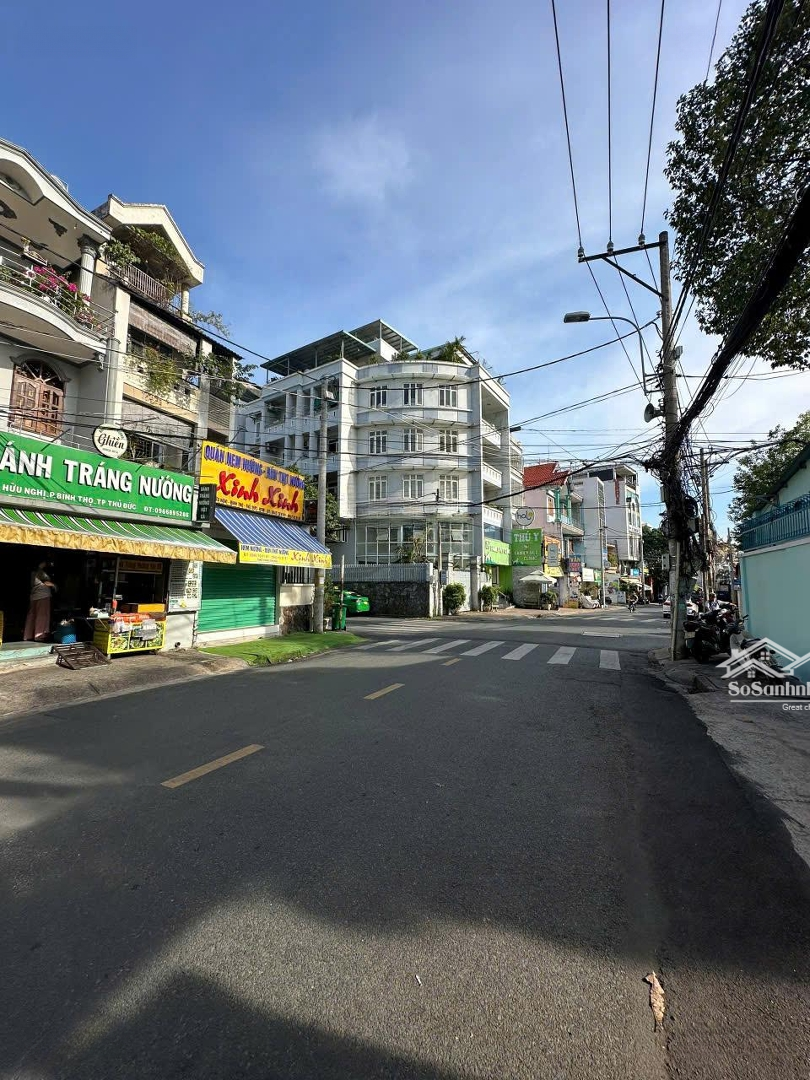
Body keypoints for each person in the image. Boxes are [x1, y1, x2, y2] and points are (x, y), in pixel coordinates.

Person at [24, 559, 56, 641]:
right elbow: (45, 582)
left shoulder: (33, 572)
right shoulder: (39, 572)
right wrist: (54, 585)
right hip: (43, 595)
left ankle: (28, 635)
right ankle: (39, 635)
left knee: (32, 615)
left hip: (34, 595)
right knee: (42, 615)